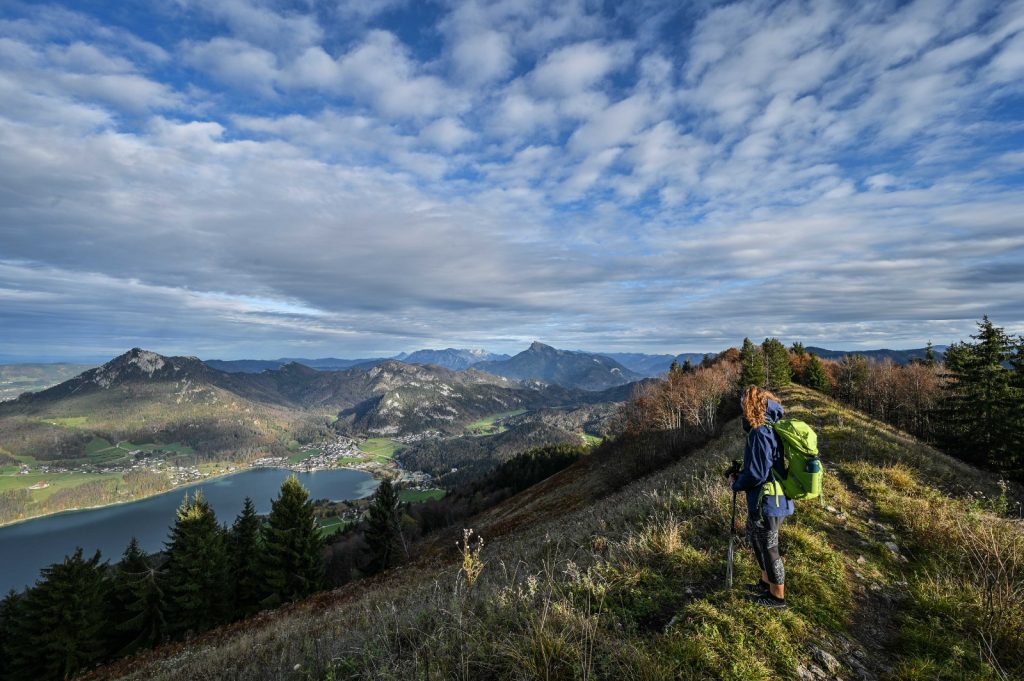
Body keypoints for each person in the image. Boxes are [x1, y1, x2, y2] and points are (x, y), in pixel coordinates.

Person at [728, 384, 793, 609]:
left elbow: (757, 472)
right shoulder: (769, 428)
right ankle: (766, 584)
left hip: (769, 500)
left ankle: (777, 598)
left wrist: (738, 483)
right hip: (767, 499)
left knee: (769, 546)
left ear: (751, 407)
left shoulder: (761, 432)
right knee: (759, 541)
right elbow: (759, 466)